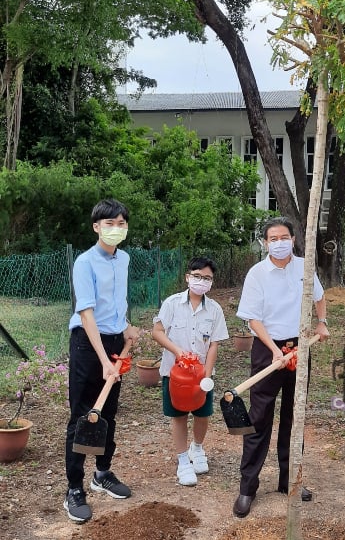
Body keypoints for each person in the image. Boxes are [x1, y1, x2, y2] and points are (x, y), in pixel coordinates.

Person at [233, 216, 330, 518]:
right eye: (273, 238)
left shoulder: (305, 266)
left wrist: (322, 322)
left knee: (294, 416)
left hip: (300, 346)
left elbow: (320, 296)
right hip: (268, 349)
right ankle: (247, 488)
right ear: (265, 243)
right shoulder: (257, 274)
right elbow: (252, 318)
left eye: (284, 237)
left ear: (293, 239)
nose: (279, 242)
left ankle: (290, 481)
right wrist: (275, 351)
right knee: (259, 418)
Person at [64, 199, 140, 523]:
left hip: (114, 342)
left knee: (108, 412)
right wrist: (104, 361)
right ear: (96, 226)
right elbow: (87, 312)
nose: (116, 229)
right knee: (84, 416)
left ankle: (102, 474)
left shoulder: (123, 259)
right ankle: (74, 488)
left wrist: (126, 329)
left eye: (121, 223)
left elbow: (116, 303)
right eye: (109, 223)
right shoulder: (84, 262)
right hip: (87, 343)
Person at [152, 257, 229, 486]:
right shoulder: (172, 304)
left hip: (202, 375)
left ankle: (197, 448)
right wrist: (177, 351)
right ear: (188, 277)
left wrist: (206, 373)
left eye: (207, 278)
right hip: (174, 374)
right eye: (197, 276)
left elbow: (214, 343)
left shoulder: (214, 309)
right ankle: (183, 460)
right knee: (178, 415)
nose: (201, 281)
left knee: (202, 413)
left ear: (211, 282)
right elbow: (157, 332)